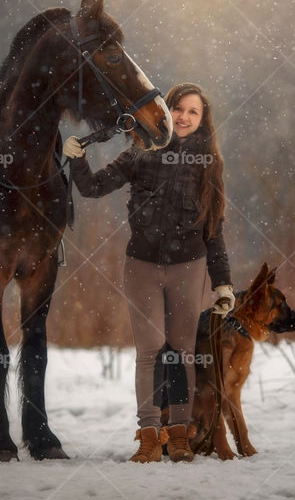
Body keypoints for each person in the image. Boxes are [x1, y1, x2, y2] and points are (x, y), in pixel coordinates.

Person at [64, 82, 235, 463]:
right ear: (166, 110)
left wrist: (222, 282)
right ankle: (147, 435)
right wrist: (77, 158)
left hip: (189, 268)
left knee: (182, 351)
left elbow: (214, 229)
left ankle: (179, 437)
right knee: (150, 349)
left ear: (203, 119)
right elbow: (92, 188)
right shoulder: (141, 151)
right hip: (141, 265)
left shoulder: (210, 163)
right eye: (179, 109)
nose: (185, 117)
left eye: (194, 112)